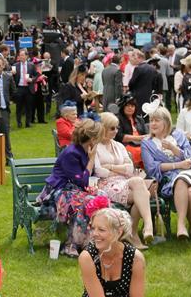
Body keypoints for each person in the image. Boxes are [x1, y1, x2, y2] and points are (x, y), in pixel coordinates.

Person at [36, 119, 105, 257]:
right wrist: (91, 160)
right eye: (99, 138)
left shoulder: (85, 150)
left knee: (96, 199)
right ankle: (71, 245)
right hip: (57, 192)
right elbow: (82, 181)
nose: (100, 141)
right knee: (80, 203)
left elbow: (86, 181)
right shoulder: (71, 153)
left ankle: (88, 242)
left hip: (72, 190)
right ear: (92, 138)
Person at [141, 103, 191, 241]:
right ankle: (190, 227)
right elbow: (152, 168)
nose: (153, 123)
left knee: (184, 181)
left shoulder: (178, 136)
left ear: (166, 122)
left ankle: (184, 225)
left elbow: (190, 159)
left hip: (190, 174)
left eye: (157, 120)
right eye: (151, 120)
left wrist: (173, 148)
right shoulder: (147, 143)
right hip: (168, 180)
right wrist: (178, 165)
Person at [93, 112, 156, 248]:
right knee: (142, 191)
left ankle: (134, 232)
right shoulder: (95, 147)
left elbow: (130, 168)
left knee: (140, 189)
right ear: (102, 128)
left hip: (124, 182)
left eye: (117, 128)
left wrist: (110, 166)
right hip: (105, 185)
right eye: (112, 128)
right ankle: (145, 227)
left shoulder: (119, 146)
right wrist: (118, 169)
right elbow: (99, 171)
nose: (116, 131)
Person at [116, 96, 147, 168]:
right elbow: (119, 137)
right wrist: (139, 138)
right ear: (122, 107)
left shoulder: (139, 119)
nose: (130, 108)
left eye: (132, 106)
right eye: (127, 105)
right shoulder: (118, 119)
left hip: (141, 144)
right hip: (126, 145)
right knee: (135, 151)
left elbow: (146, 134)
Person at [12, 50, 35, 128]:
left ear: (26, 56)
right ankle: (19, 122)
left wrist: (32, 80)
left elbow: (36, 75)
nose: (21, 57)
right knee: (19, 107)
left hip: (28, 88)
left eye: (22, 55)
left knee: (29, 106)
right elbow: (11, 77)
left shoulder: (31, 65)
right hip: (20, 88)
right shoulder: (15, 65)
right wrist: (12, 74)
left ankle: (28, 123)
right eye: (20, 55)